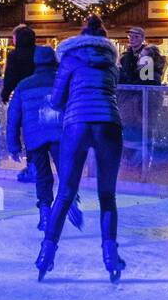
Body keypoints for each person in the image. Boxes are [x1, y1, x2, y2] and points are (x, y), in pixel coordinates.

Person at [37, 14, 125, 283]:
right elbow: (113, 92)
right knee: (107, 196)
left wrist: (67, 106)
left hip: (76, 124)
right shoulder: (111, 63)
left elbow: (57, 98)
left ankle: (46, 254)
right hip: (108, 124)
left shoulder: (69, 60)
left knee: (65, 193)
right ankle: (110, 255)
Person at [6, 45, 82, 233]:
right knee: (66, 171)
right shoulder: (64, 81)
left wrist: (14, 145)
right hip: (61, 134)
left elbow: (13, 117)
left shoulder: (24, 85)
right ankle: (70, 200)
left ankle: (45, 214)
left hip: (34, 136)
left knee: (42, 175)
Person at [2, 26, 37, 182]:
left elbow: (11, 76)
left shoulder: (15, 55)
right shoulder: (39, 53)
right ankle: (36, 165)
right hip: (42, 98)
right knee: (39, 133)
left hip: (24, 97)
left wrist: (5, 93)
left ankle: (32, 165)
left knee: (22, 128)